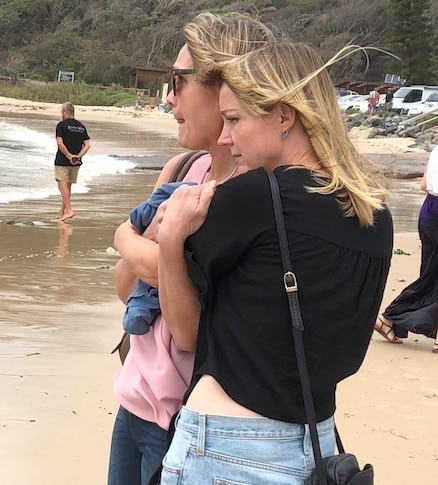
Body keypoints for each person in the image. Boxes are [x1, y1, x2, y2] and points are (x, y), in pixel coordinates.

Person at [156, 42, 393, 484]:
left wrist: (170, 239)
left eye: (234, 120)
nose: (225, 138)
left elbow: (186, 332)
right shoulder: (374, 213)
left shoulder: (253, 199)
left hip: (226, 449)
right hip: (316, 445)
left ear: (285, 116)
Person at [108, 12, 275, 485]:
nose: (170, 97)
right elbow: (125, 286)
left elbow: (190, 331)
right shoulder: (183, 169)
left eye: (179, 81)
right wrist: (149, 251)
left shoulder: (255, 193)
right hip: (135, 401)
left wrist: (131, 238)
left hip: (196, 423)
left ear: (224, 85)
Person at [374, 145, 438, 353]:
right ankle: (389, 316)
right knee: (431, 276)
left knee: (430, 274)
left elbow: (423, 185)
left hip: (429, 211)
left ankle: (390, 320)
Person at [53, 102, 90, 221]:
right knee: (67, 189)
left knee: (62, 186)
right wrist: (77, 157)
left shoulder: (61, 125)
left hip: (63, 161)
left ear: (64, 112)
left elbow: (59, 143)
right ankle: (62, 212)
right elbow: (87, 145)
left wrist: (69, 156)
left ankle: (69, 211)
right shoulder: (81, 126)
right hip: (76, 163)